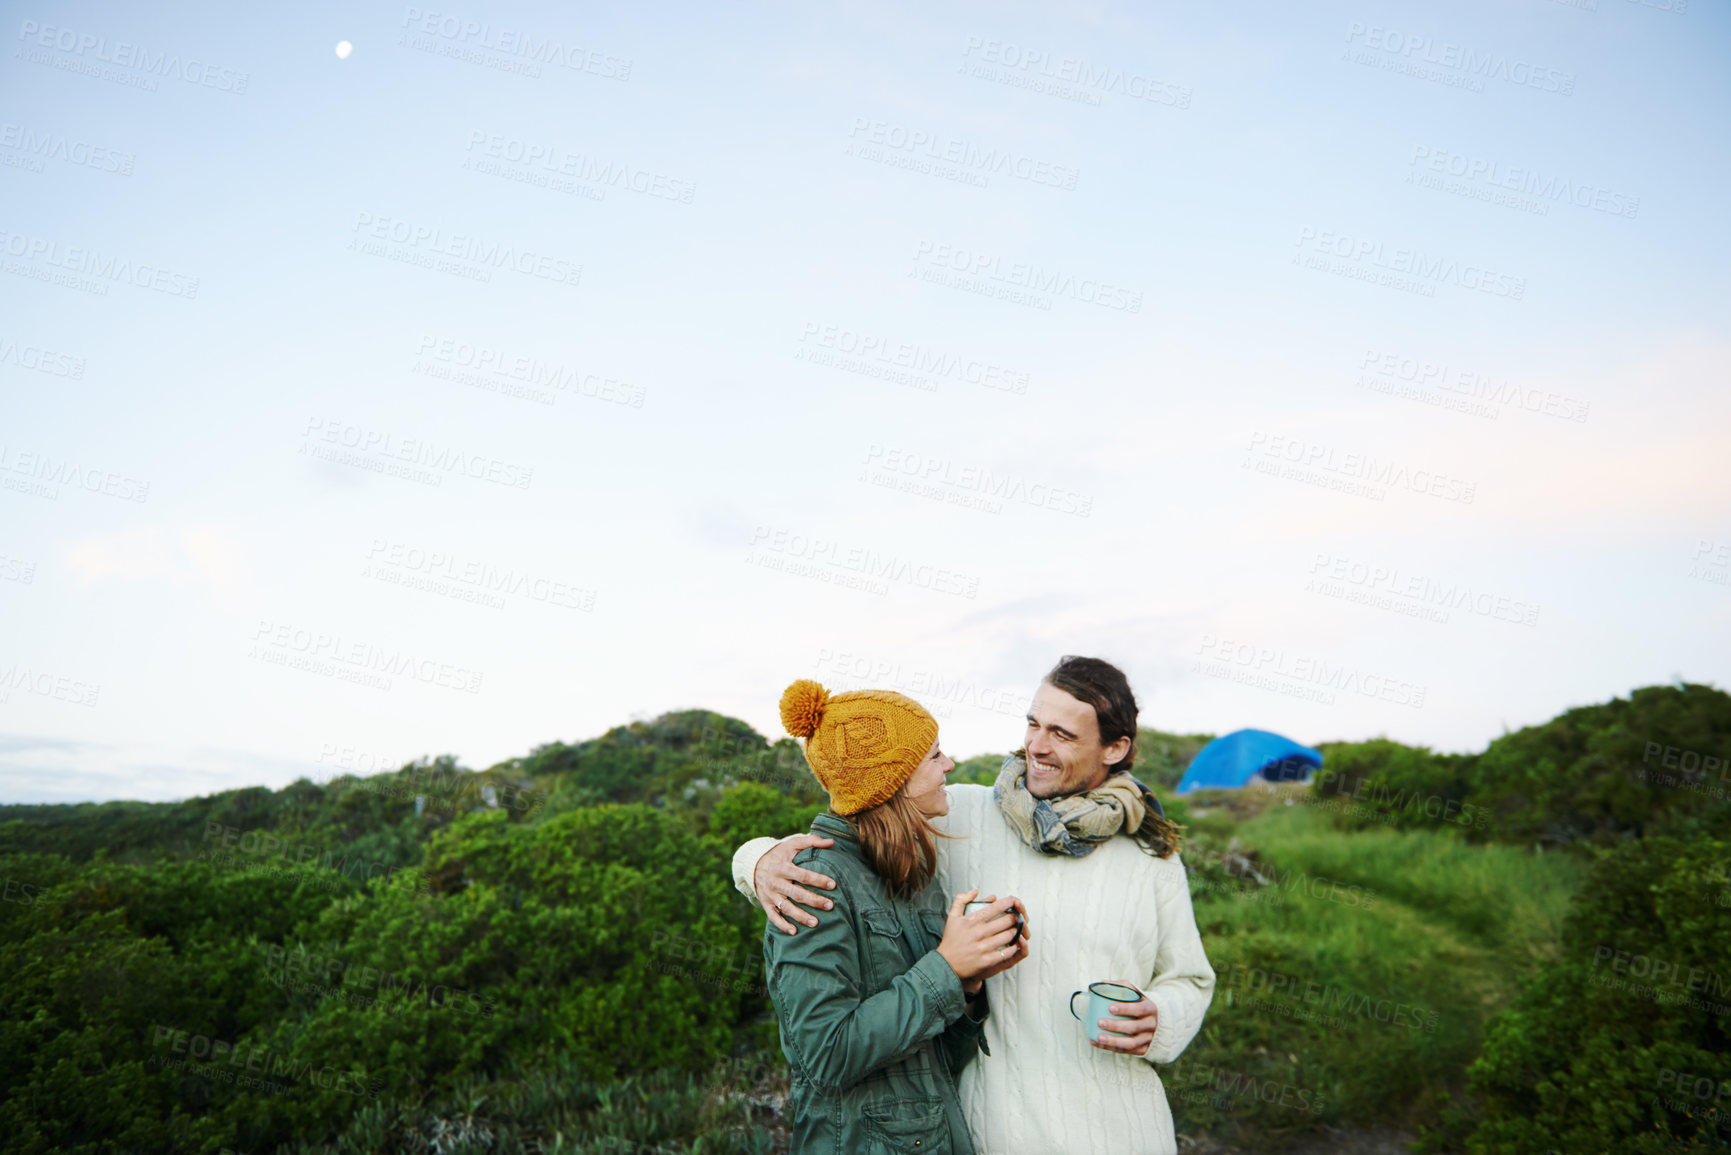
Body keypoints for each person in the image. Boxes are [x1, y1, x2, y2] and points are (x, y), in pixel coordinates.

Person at [736, 657, 1215, 1155]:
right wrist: (757, 860)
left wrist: (1160, 1018)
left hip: (1120, 1132)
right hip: (993, 1133)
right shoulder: (960, 814)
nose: (1037, 746)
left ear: (1115, 748)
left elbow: (1192, 979)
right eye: (1033, 724)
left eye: (1062, 734)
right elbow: (857, 823)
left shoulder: (1151, 856)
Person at [761, 678, 1030, 1155]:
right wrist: (945, 968)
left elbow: (938, 1057)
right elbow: (826, 1054)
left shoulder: (913, 875)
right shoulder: (812, 881)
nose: (949, 764)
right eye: (933, 756)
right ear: (890, 781)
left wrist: (968, 981)